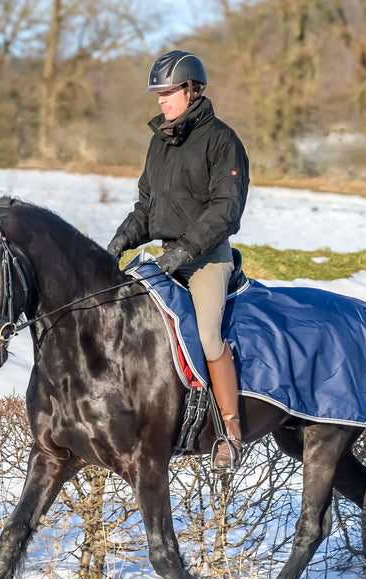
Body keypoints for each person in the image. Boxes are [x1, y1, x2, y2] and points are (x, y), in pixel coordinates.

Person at [107, 49, 250, 468]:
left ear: (191, 90)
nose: (161, 100)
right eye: (158, 93)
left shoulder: (223, 141)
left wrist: (187, 249)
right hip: (167, 254)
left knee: (207, 336)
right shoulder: (158, 142)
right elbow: (146, 209)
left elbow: (227, 208)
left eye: (168, 91)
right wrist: (119, 241)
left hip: (207, 257)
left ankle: (230, 433)